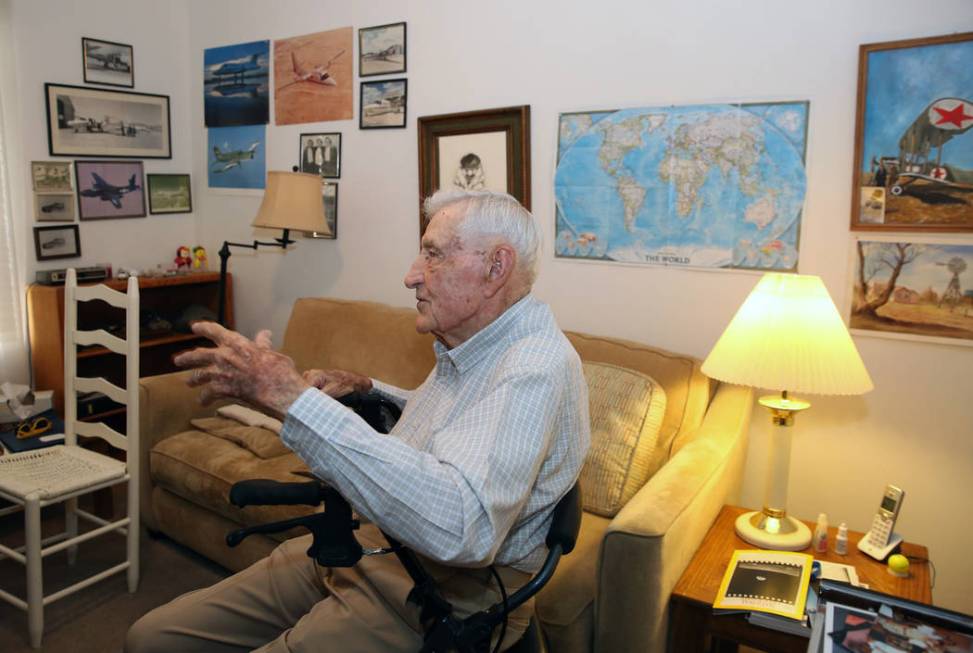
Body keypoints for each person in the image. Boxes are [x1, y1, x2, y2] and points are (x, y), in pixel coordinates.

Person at [125, 189, 590, 653]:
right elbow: (459, 431)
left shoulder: (533, 368)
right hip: (369, 544)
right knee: (150, 639)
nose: (411, 276)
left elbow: (463, 528)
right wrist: (368, 387)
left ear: (496, 268)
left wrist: (292, 397)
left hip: (441, 594)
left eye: (433, 255)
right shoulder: (473, 341)